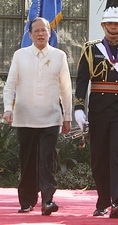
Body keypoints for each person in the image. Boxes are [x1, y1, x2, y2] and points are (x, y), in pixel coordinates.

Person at [74, 0, 118, 218]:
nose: (113, 28)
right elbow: (83, 80)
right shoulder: (90, 49)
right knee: (99, 156)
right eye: (110, 24)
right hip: (99, 108)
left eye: (117, 25)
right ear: (103, 26)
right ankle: (102, 199)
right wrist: (78, 107)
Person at [2, 17, 72, 215]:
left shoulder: (59, 56)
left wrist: (67, 117)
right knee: (28, 160)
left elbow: (66, 89)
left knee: (47, 160)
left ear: (50, 33)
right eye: (37, 30)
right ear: (30, 34)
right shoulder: (20, 55)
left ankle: (48, 200)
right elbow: (10, 85)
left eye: (45, 30)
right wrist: (8, 108)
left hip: (50, 117)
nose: (41, 34)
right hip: (24, 118)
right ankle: (27, 200)